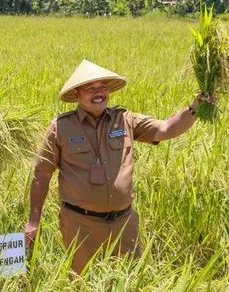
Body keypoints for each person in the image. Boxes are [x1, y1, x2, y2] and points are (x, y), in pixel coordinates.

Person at [24, 60, 216, 274]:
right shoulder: (60, 127)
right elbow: (42, 174)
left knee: (130, 279)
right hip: (80, 224)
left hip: (124, 224)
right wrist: (34, 221)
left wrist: (194, 109)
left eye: (103, 87)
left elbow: (166, 129)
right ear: (76, 94)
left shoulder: (125, 119)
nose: (99, 93)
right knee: (81, 283)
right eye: (90, 89)